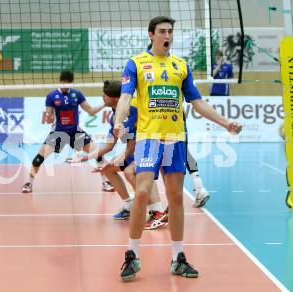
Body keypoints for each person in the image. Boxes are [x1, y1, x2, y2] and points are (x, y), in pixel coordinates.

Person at [115, 16, 242, 281]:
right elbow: (126, 96)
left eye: (170, 31)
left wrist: (225, 122)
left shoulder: (180, 66)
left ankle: (178, 257)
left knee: (175, 198)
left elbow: (197, 102)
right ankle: (131, 255)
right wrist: (118, 121)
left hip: (176, 138)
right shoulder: (136, 63)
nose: (167, 35)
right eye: (162, 31)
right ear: (151, 35)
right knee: (141, 193)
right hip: (148, 138)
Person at [69, 80, 168, 227]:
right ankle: (130, 205)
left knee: (130, 171)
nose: (102, 97)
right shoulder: (114, 117)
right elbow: (109, 145)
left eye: (104, 95)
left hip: (156, 142)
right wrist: (84, 158)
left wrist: (121, 158)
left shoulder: (133, 106)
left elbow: (132, 143)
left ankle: (155, 210)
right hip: (137, 148)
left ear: (114, 98)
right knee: (108, 169)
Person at [21, 70, 114, 193]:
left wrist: (104, 104)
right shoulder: (52, 96)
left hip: (75, 132)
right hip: (58, 133)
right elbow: (49, 119)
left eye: (68, 82)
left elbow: (90, 111)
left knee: (98, 154)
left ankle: (105, 182)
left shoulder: (77, 95)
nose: (65, 85)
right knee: (38, 159)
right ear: (60, 81)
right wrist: (49, 118)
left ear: (71, 83)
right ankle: (29, 183)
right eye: (63, 82)